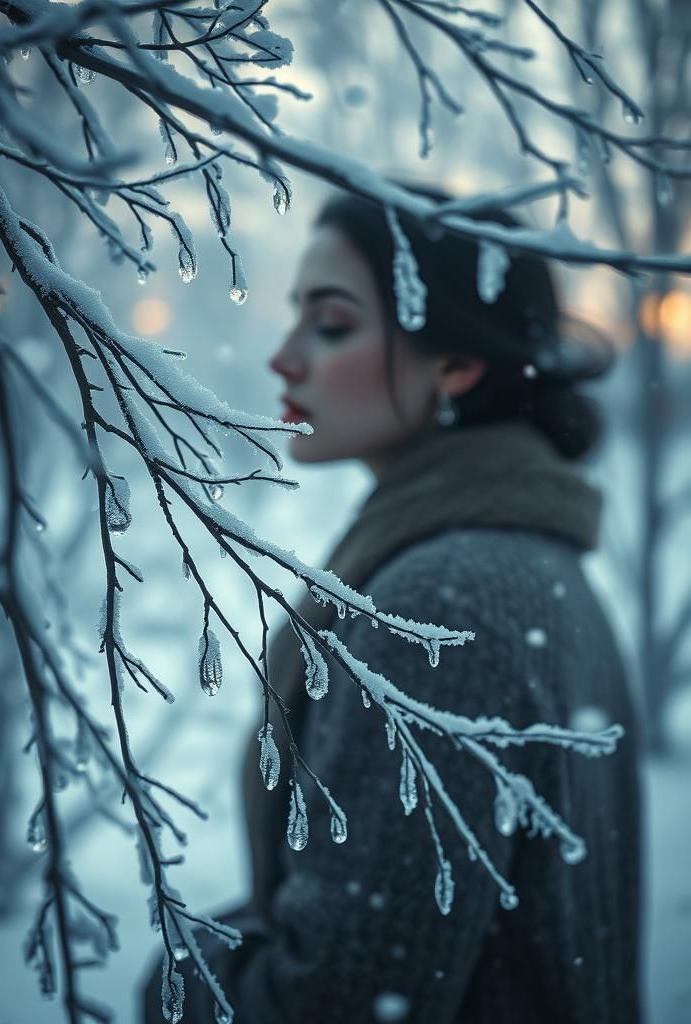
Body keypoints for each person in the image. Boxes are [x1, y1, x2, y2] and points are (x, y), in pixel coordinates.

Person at [143, 188, 642, 1023]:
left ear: (457, 362)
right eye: (297, 315)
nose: (285, 358)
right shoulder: (509, 553)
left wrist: (178, 984)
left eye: (332, 324)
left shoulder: (444, 605)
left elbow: (335, 1005)